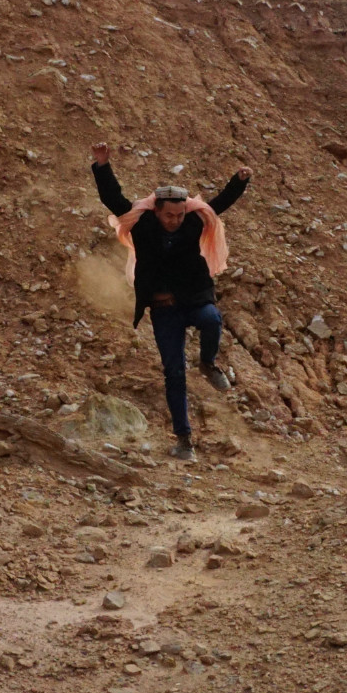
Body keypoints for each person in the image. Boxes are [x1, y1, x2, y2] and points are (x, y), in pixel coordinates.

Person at [91, 143, 251, 460]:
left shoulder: (192, 222)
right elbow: (113, 199)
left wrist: (239, 181)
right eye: (169, 215)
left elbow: (217, 205)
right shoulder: (142, 224)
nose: (175, 220)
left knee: (212, 319)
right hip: (164, 312)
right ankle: (184, 440)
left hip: (193, 298)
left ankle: (207, 363)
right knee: (174, 373)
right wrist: (102, 165)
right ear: (157, 211)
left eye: (180, 215)